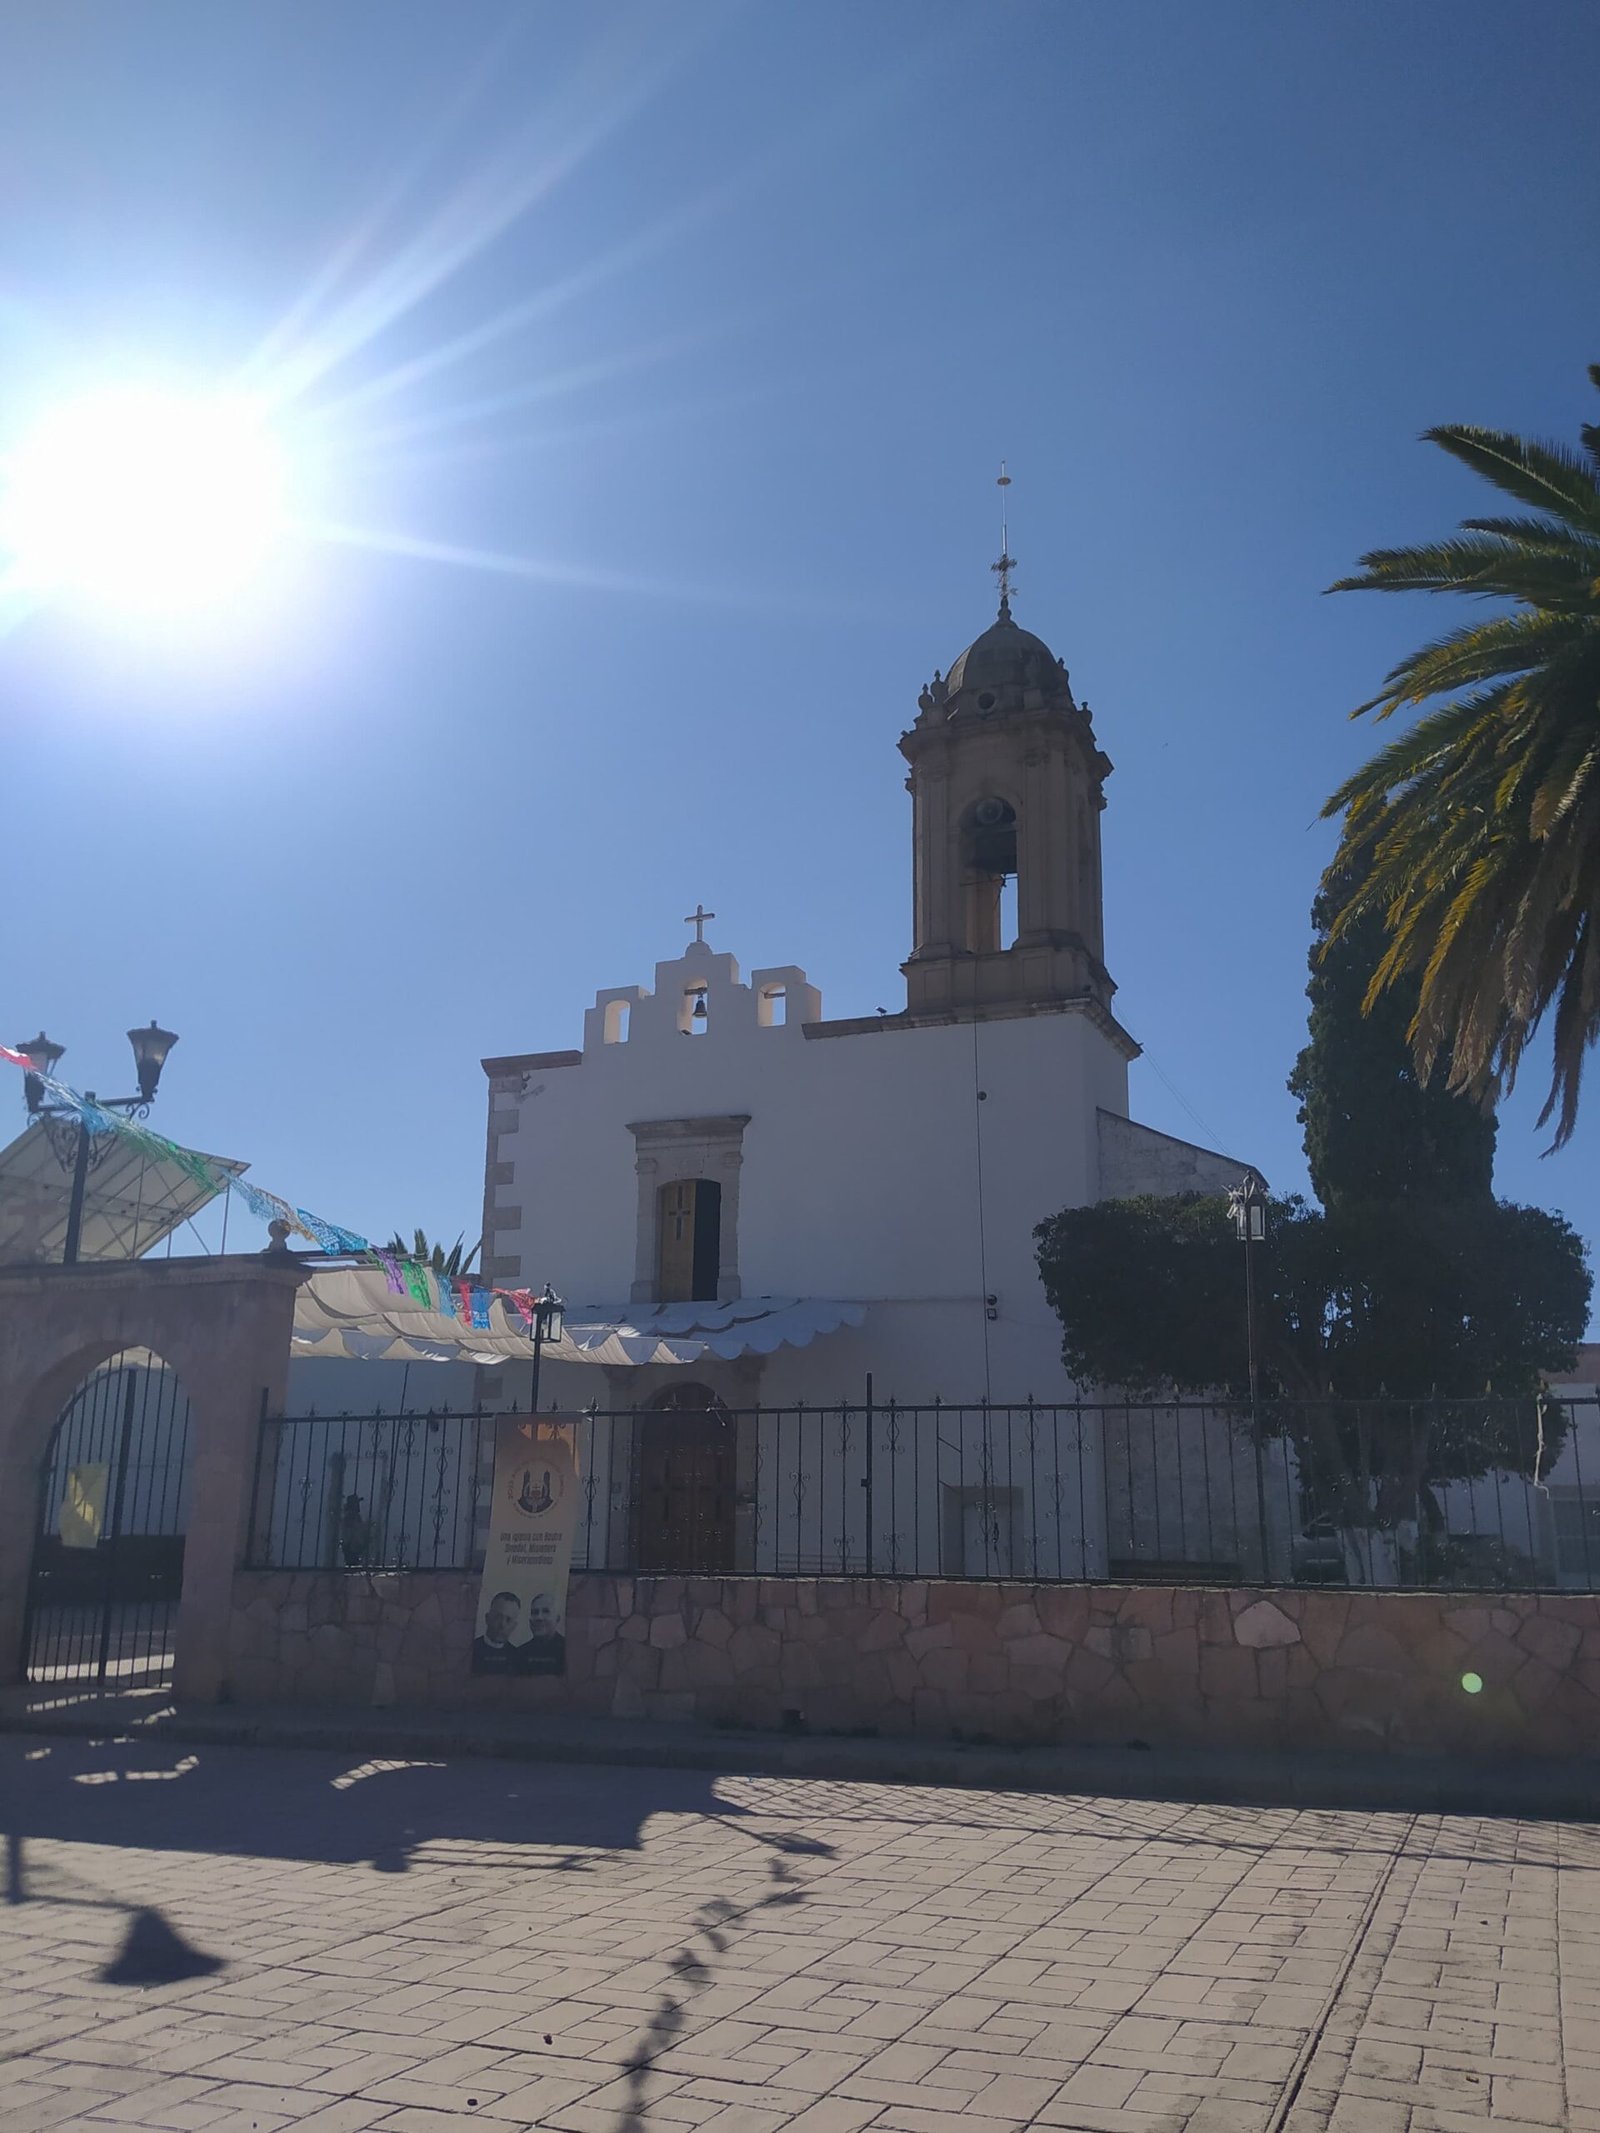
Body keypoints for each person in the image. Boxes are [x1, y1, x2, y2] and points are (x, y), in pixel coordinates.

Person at [471, 1590, 526, 1675]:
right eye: (498, 1617)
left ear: (514, 1626)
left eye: (508, 1620)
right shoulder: (470, 1650)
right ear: (487, 1618)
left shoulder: (518, 1658)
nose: (502, 1625)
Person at [521, 1590, 566, 1675]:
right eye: (535, 1612)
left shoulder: (567, 1650)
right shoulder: (519, 1653)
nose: (539, 1617)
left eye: (546, 1611)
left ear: (557, 1619)